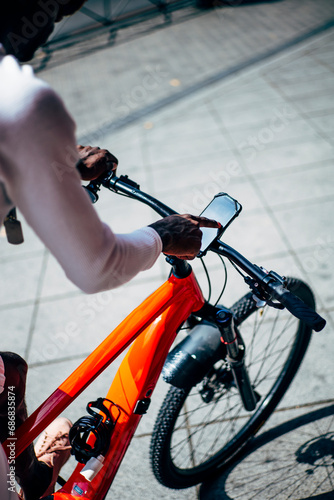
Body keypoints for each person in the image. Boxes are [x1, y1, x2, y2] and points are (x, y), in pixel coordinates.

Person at [0, 2, 219, 498]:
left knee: (8, 372)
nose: (62, 16)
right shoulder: (15, 99)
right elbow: (97, 267)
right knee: (3, 377)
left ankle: (19, 467)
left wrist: (46, 162)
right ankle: (18, 481)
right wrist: (165, 235)